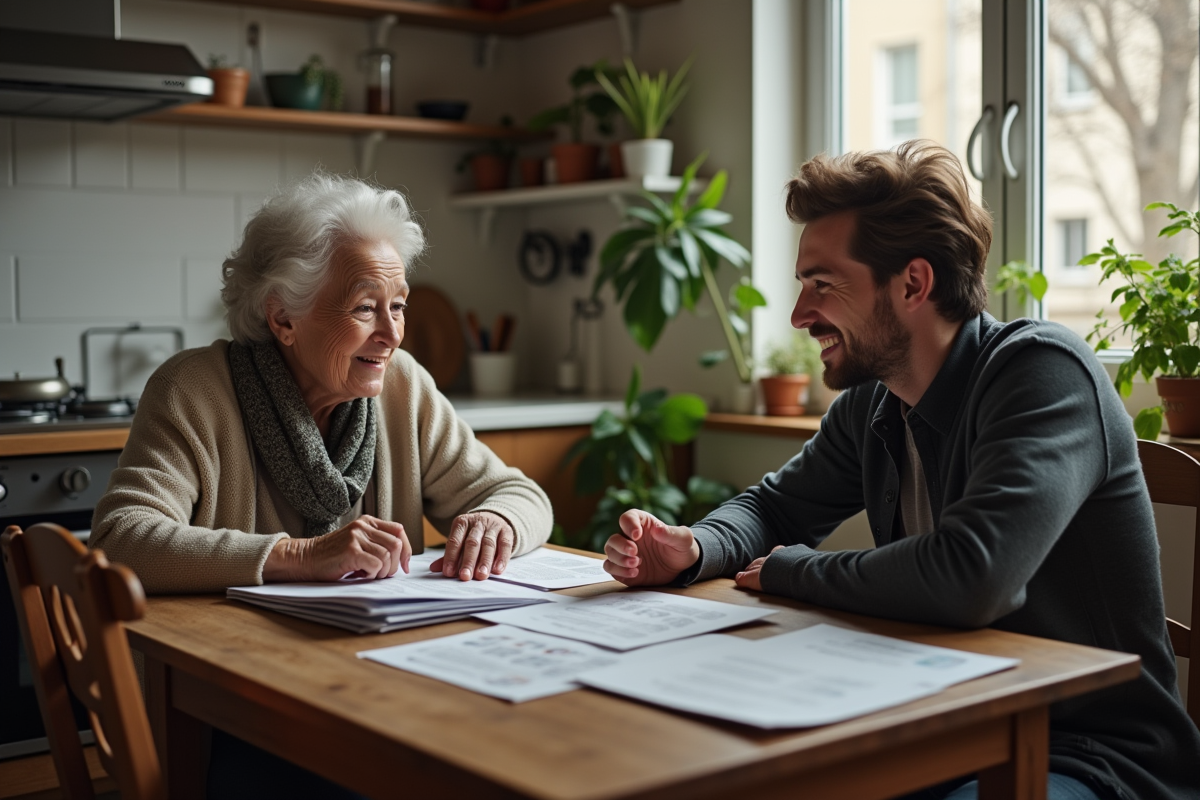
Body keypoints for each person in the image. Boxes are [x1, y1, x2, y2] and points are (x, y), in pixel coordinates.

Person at [601, 142, 1200, 800]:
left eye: (822, 285)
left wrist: (789, 569)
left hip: (1094, 752)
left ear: (913, 284)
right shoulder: (875, 400)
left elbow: (973, 576)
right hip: (945, 718)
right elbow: (775, 508)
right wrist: (695, 547)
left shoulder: (1042, 372)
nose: (800, 315)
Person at [90, 172, 552, 798]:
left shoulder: (402, 386)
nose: (392, 334)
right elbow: (120, 539)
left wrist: (497, 521)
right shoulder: (193, 390)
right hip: (230, 716)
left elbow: (521, 496)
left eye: (399, 306)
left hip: (379, 689)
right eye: (365, 308)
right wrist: (298, 556)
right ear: (283, 317)